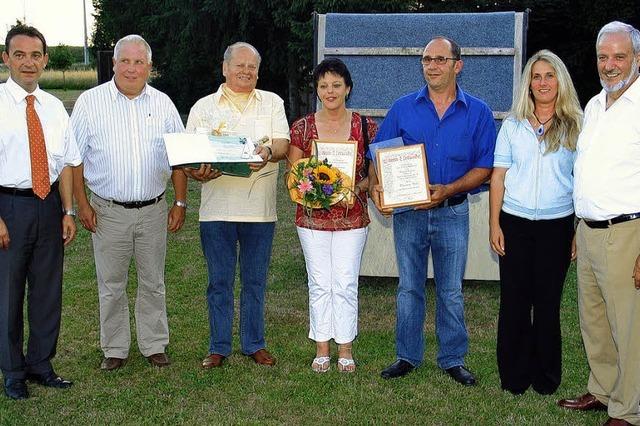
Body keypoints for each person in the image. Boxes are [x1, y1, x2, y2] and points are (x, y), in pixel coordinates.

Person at [369, 36, 496, 384]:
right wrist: (378, 186)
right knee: (409, 287)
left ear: (458, 64)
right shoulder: (403, 108)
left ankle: (453, 358)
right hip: (409, 213)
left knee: (450, 289)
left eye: (440, 59)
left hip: (453, 212)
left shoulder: (479, 112)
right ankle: (407, 356)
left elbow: (485, 166)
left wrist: (448, 191)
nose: (433, 66)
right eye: (427, 59)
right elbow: (378, 155)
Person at [71, 34, 187, 371]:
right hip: (107, 211)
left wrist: (180, 203)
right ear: (114, 63)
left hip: (153, 210)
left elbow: (179, 157)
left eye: (139, 62)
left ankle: (154, 344)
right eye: (125, 61)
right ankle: (115, 348)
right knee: (111, 284)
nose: (131, 68)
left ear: (149, 67)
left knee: (153, 282)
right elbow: (73, 159)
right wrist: (82, 205)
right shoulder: (90, 103)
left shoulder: (163, 104)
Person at [185, 42, 289, 369]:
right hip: (216, 210)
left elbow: (283, 143)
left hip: (260, 210)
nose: (246, 71)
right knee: (220, 282)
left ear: (258, 71)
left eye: (252, 67)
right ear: (225, 68)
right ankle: (219, 347)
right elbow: (190, 157)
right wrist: (197, 171)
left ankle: (254, 343)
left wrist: (269, 153)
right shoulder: (204, 107)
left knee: (255, 281)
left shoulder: (272, 102)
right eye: (239, 65)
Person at [558, 21, 640, 426]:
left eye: (619, 56)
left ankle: (628, 409)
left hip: (628, 232)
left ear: (637, 59)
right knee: (594, 318)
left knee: (629, 325)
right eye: (603, 57)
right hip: (589, 231)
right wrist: (577, 225)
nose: (610, 65)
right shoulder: (593, 106)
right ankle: (603, 390)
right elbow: (587, 171)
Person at [489, 50, 582, 395]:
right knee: (514, 301)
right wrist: (494, 224)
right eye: (536, 76)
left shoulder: (577, 124)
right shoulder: (512, 125)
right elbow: (498, 177)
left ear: (561, 81)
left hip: (556, 227)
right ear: (528, 83)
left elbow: (583, 180)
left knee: (547, 304)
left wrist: (577, 229)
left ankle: (546, 377)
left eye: (549, 76)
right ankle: (513, 376)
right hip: (514, 223)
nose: (543, 83)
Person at [0, 25, 81, 400]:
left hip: (49, 205)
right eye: (19, 54)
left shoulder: (53, 108)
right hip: (9, 205)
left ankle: (40, 363)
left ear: (45, 60)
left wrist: (68, 210)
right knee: (8, 292)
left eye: (35, 55)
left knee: (48, 291)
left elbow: (65, 163)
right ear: (6, 59)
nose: (28, 63)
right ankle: (13, 371)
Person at [287, 58, 378, 373]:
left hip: (352, 219)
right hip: (312, 220)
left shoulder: (366, 126)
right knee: (320, 282)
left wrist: (354, 187)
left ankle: (346, 349)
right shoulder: (302, 127)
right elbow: (294, 175)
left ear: (348, 88)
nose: (330, 91)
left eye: (336, 85)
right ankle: (322, 348)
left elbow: (373, 177)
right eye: (324, 85)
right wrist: (312, 189)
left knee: (345, 282)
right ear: (317, 90)